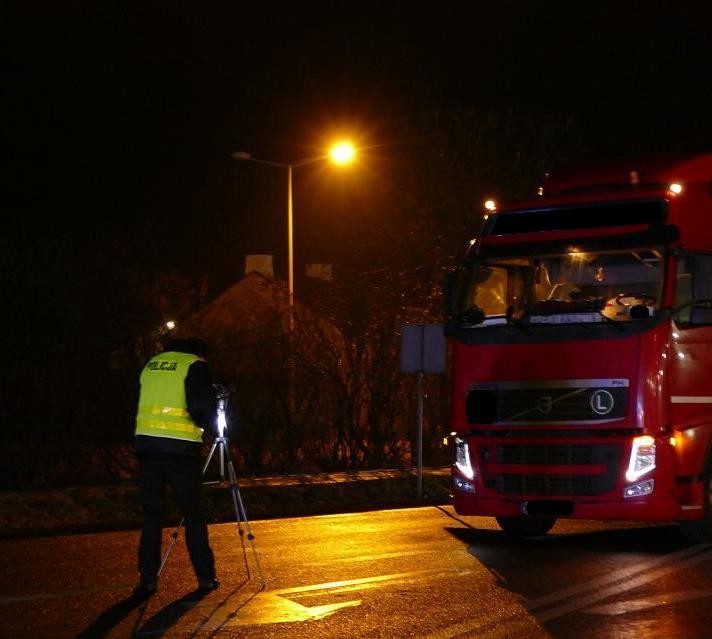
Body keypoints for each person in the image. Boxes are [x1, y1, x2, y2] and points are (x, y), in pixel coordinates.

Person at [133, 337, 219, 598]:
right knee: (193, 514)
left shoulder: (152, 364)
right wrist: (213, 421)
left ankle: (147, 580)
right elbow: (199, 408)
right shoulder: (195, 365)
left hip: (147, 447)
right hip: (180, 450)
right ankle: (205, 577)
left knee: (151, 516)